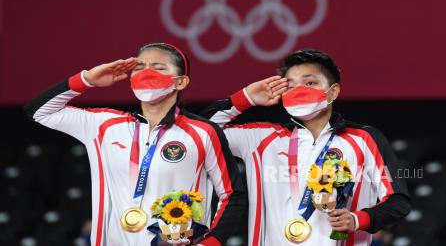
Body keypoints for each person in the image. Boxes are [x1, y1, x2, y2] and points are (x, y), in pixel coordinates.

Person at [24, 43, 246, 246]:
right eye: (139, 67)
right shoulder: (104, 125)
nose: (147, 72)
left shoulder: (202, 132)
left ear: (181, 81)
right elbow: (38, 111)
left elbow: (232, 194)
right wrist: (87, 80)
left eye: (158, 67)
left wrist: (209, 244)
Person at [203, 49, 412, 246]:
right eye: (291, 86)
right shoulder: (260, 138)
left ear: (333, 91)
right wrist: (245, 98)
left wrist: (358, 220)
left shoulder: (364, 139)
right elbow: (196, 134)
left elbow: (398, 201)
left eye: (310, 82)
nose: (299, 91)